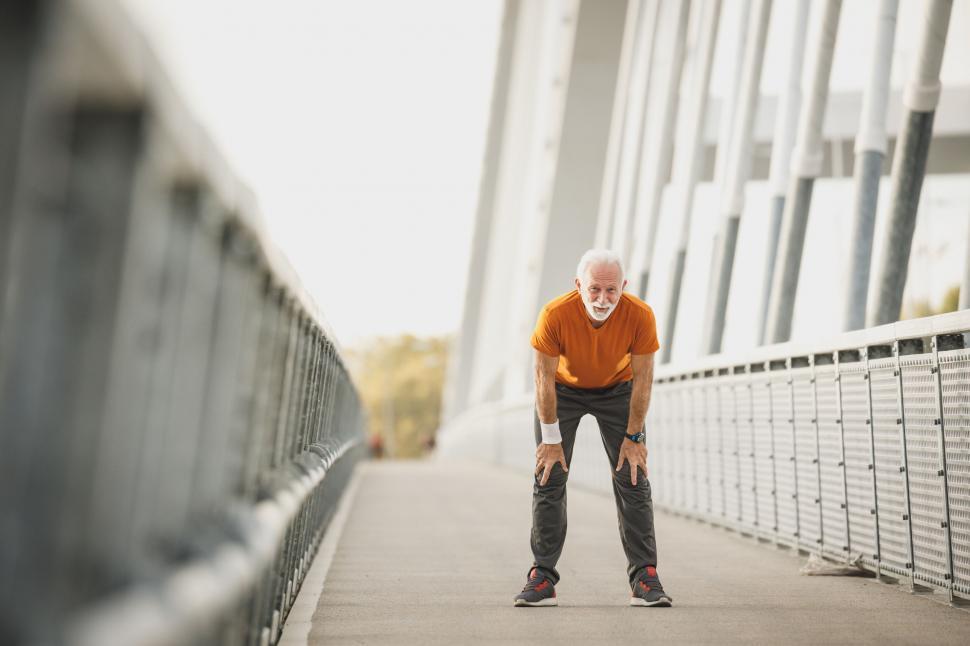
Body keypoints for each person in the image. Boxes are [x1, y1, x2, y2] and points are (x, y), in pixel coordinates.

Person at [513, 249, 672, 608]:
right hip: (563, 392)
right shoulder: (555, 314)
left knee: (633, 476)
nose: (602, 299)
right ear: (578, 285)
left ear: (623, 287)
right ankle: (542, 576)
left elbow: (644, 379)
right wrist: (551, 440)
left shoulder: (640, 315)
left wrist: (634, 438)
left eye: (611, 291)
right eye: (594, 290)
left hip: (617, 390)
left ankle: (645, 577)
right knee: (549, 475)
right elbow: (543, 379)